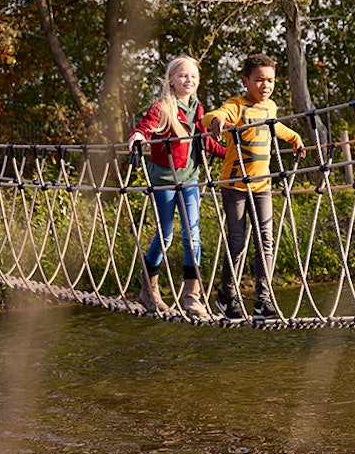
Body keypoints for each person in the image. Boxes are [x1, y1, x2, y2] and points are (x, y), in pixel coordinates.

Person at [205, 53, 304, 320]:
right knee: (237, 242)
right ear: (245, 81)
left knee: (266, 241)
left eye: (270, 80)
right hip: (235, 184)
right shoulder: (236, 106)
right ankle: (227, 295)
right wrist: (217, 121)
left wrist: (294, 137)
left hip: (262, 185)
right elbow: (214, 116)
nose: (265, 85)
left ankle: (263, 298)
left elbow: (274, 127)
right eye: (259, 80)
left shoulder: (270, 107)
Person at [128, 55, 226, 318]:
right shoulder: (163, 106)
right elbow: (145, 127)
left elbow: (205, 141)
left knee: (192, 235)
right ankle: (149, 288)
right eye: (183, 75)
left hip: (190, 180)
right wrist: (137, 136)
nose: (189, 80)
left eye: (193, 77)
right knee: (166, 235)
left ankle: (192, 297)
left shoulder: (198, 108)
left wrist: (230, 154)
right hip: (164, 181)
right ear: (171, 80)